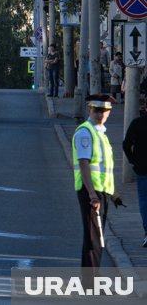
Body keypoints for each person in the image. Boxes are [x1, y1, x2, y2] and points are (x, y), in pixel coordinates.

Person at [72, 94, 125, 275]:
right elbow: (84, 163)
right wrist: (93, 195)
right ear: (89, 110)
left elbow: (105, 169)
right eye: (97, 110)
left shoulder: (101, 133)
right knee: (94, 239)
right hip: (90, 192)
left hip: (100, 192)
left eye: (104, 111)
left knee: (96, 238)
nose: (100, 114)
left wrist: (114, 192)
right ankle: (89, 283)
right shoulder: (85, 132)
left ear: (109, 113)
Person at [123, 104, 147, 248]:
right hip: (142, 168)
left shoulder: (137, 123)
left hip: (142, 169)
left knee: (144, 200)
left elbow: (126, 145)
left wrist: (133, 161)